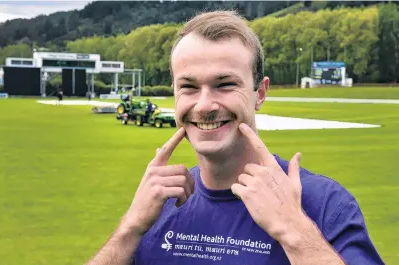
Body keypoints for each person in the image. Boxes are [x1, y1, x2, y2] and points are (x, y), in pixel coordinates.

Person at [86, 11, 385, 265]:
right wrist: (130, 227)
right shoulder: (160, 203)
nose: (204, 105)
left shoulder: (323, 204)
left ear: (260, 93)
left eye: (225, 84)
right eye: (188, 87)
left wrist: (295, 231)